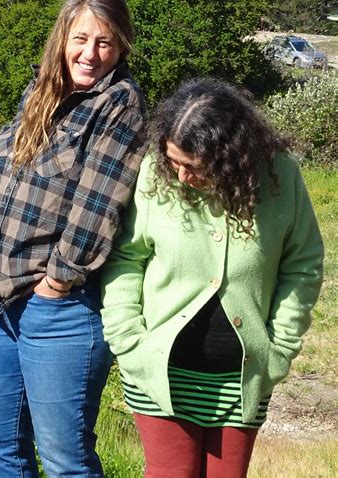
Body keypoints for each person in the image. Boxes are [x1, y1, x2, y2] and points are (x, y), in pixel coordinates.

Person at [101, 78, 324, 478]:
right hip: (160, 373)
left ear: (230, 156)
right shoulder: (154, 174)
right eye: (174, 161)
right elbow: (126, 259)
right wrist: (129, 342)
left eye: (193, 167)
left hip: (243, 378)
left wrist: (280, 347)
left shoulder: (280, 177)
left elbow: (303, 265)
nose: (180, 176)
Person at [0, 0, 146, 477]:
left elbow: (98, 206)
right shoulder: (41, 91)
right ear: (63, 37)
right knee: (0, 445)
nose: (90, 54)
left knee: (65, 460)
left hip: (58, 309)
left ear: (121, 46)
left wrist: (58, 282)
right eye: (81, 39)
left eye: (105, 42)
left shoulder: (120, 105)